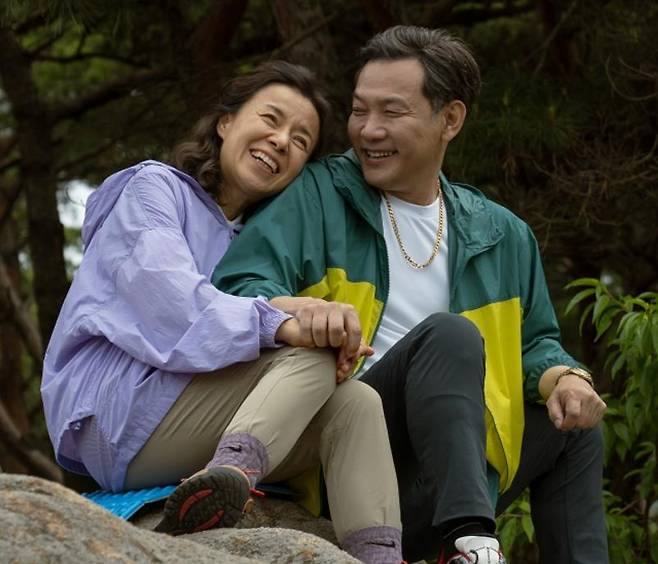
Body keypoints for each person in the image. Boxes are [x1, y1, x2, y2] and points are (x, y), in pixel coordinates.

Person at [213, 27, 609, 564]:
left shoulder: (503, 234)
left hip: (445, 471)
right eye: (359, 110)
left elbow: (534, 344)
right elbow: (239, 287)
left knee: (575, 425)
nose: (368, 130)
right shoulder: (318, 195)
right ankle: (472, 542)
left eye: (391, 112)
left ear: (450, 119)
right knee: (448, 335)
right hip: (342, 457)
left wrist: (565, 378)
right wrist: (306, 313)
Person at [41, 61, 403, 564]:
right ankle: (228, 478)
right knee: (309, 350)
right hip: (121, 414)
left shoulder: (254, 244)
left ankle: (379, 554)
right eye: (271, 119)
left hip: (192, 419)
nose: (281, 141)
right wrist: (283, 322)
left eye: (300, 141)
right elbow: (170, 302)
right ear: (226, 122)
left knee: (357, 402)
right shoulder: (153, 189)